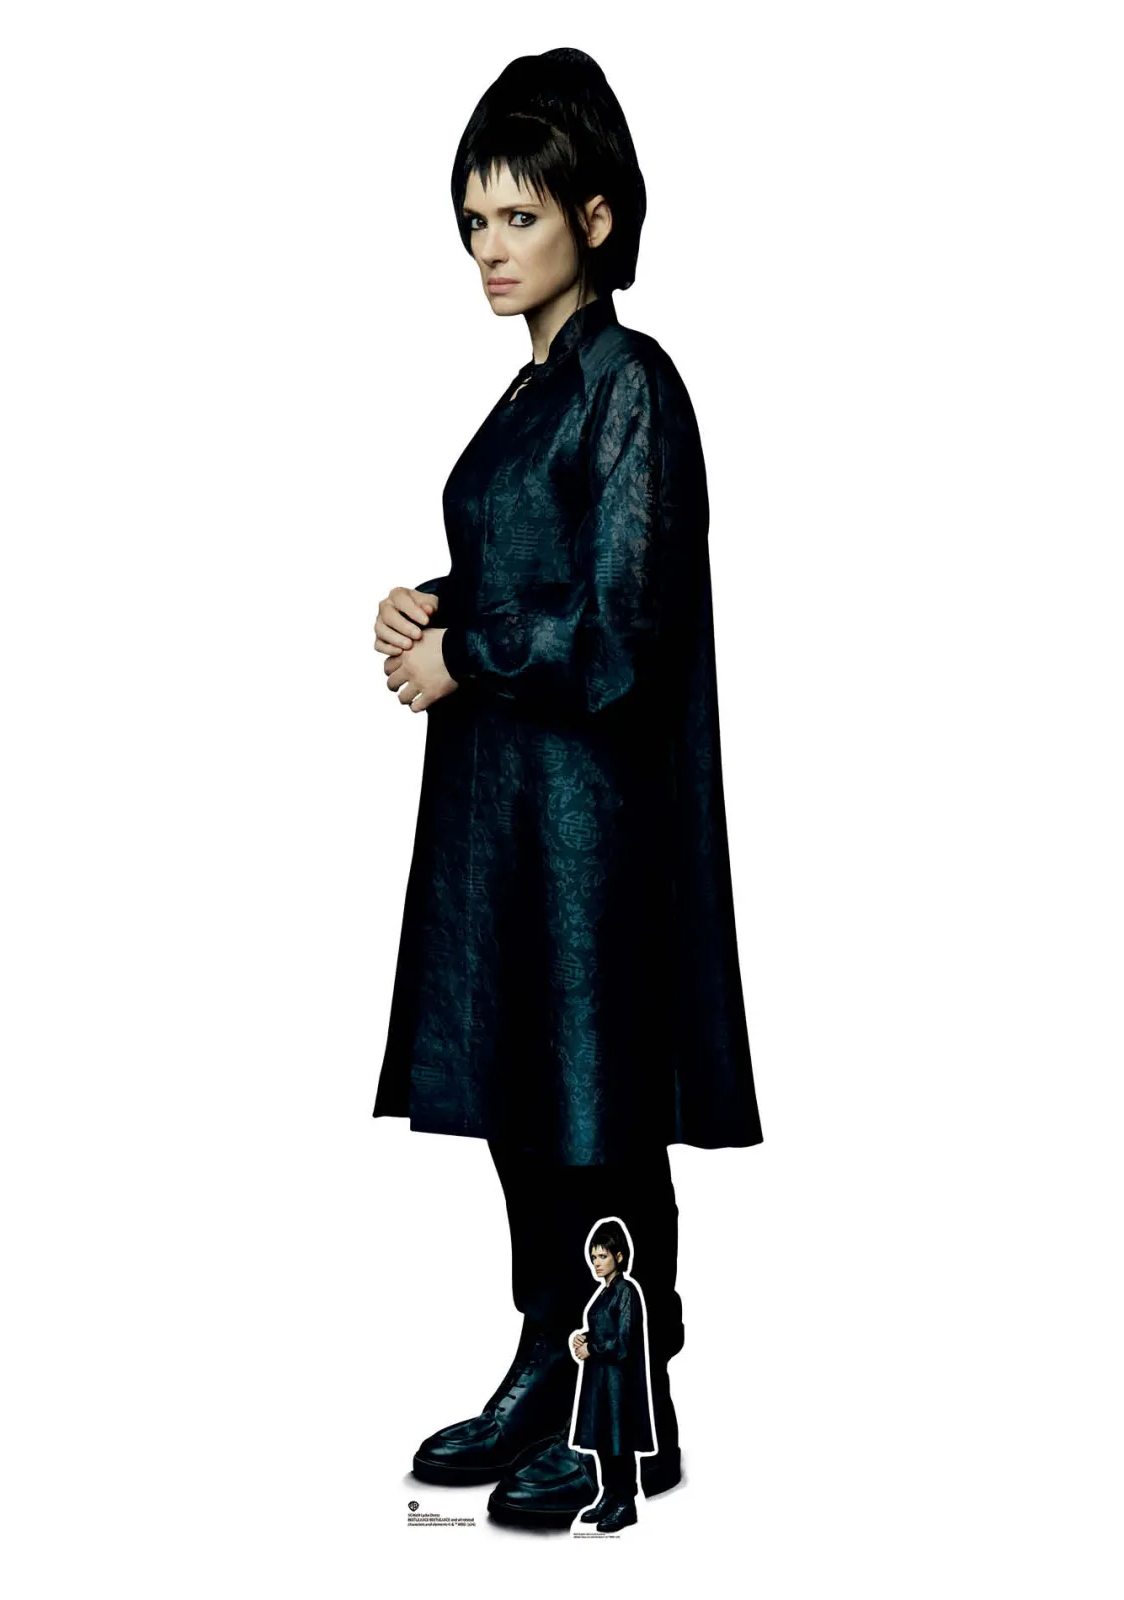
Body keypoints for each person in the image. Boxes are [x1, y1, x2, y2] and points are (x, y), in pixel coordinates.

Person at [370, 47, 763, 1529]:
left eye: (519, 218)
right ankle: (551, 1353)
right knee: (523, 1092)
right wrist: (434, 600)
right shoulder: (530, 391)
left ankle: (630, 1401)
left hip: (592, 822)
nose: (488, 249)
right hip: (504, 813)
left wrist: (468, 653)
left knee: (596, 1101)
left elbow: (623, 629)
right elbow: (529, 567)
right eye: (473, 222)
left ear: (596, 218)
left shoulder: (630, 383)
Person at [569, 1222, 656, 1533]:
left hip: (619, 1384)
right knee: (604, 1440)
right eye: (593, 1257)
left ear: (619, 1256)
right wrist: (584, 1337)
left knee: (620, 1442)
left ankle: (626, 1503)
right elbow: (604, 1330)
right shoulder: (604, 1293)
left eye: (602, 1256)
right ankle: (609, 1495)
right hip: (600, 1382)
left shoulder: (626, 1291)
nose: (596, 1262)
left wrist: (592, 1348)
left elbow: (623, 1344)